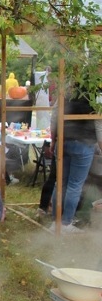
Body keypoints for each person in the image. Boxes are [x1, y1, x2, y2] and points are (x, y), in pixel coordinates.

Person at [48, 85, 102, 234]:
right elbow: (98, 124)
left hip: (63, 141)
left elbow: (54, 116)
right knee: (75, 185)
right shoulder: (94, 95)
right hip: (84, 144)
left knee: (61, 183)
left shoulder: (66, 91)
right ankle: (65, 224)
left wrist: (53, 140)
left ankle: (55, 222)